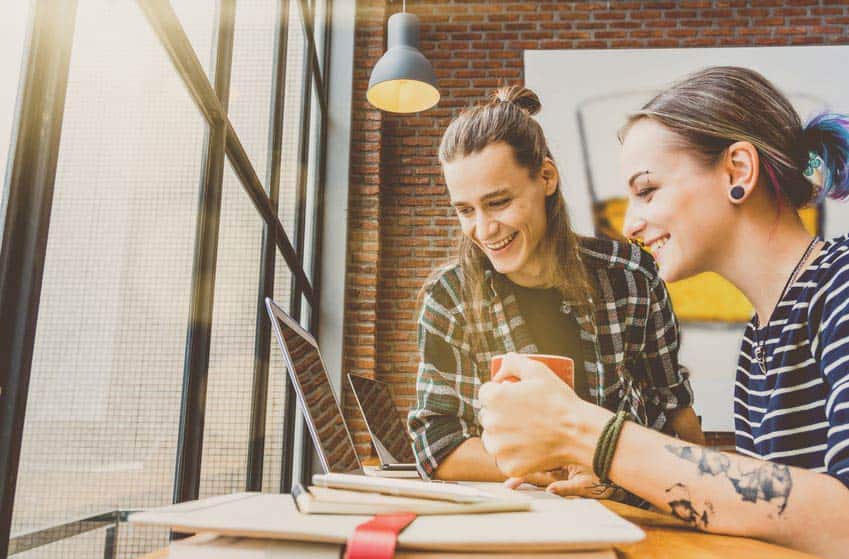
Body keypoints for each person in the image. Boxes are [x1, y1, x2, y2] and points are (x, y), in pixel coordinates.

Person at [478, 67, 849, 558]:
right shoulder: (762, 334)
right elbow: (762, 509)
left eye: (647, 189)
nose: (630, 223)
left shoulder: (841, 285)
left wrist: (587, 433)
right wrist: (618, 480)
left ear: (737, 171)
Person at [407, 85, 704, 497]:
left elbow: (674, 409)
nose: (484, 229)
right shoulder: (450, 298)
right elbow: (436, 446)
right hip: (522, 519)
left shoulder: (631, 275)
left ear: (546, 177)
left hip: (633, 508)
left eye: (498, 202)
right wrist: (551, 471)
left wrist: (710, 513)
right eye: (465, 210)